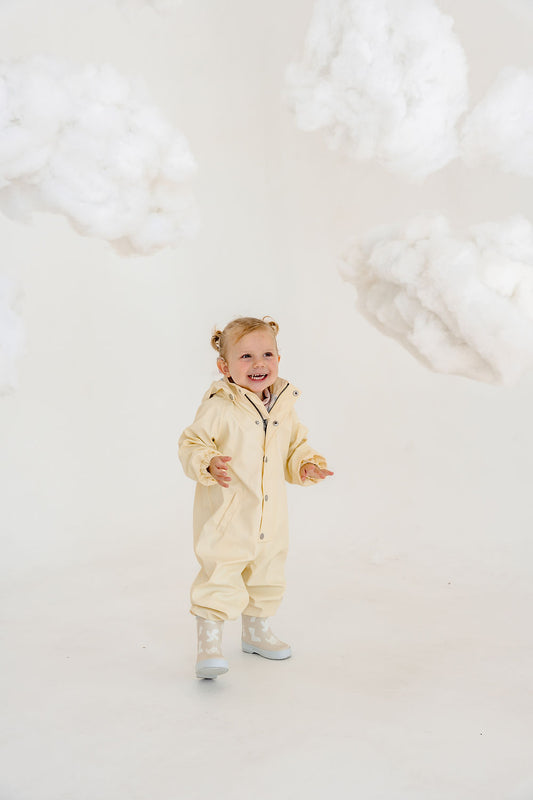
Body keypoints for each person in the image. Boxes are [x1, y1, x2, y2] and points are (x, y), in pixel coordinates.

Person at [178, 316, 333, 679]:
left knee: (267, 574)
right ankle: (209, 645)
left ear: (279, 358)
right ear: (225, 367)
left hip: (271, 517)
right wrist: (208, 462)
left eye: (267, 354)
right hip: (228, 517)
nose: (258, 363)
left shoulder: (283, 406)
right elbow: (191, 443)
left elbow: (294, 446)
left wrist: (305, 464)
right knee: (220, 574)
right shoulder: (220, 406)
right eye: (246, 356)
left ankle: (256, 632)